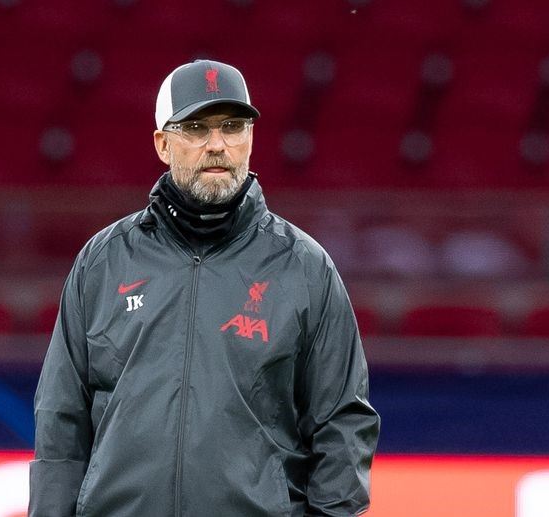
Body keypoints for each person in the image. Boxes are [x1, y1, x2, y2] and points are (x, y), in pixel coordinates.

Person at [30, 59, 380, 517]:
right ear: (162, 144)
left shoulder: (304, 267)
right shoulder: (103, 262)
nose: (218, 145)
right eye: (196, 128)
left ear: (251, 138)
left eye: (233, 127)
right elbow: (61, 419)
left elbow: (342, 424)